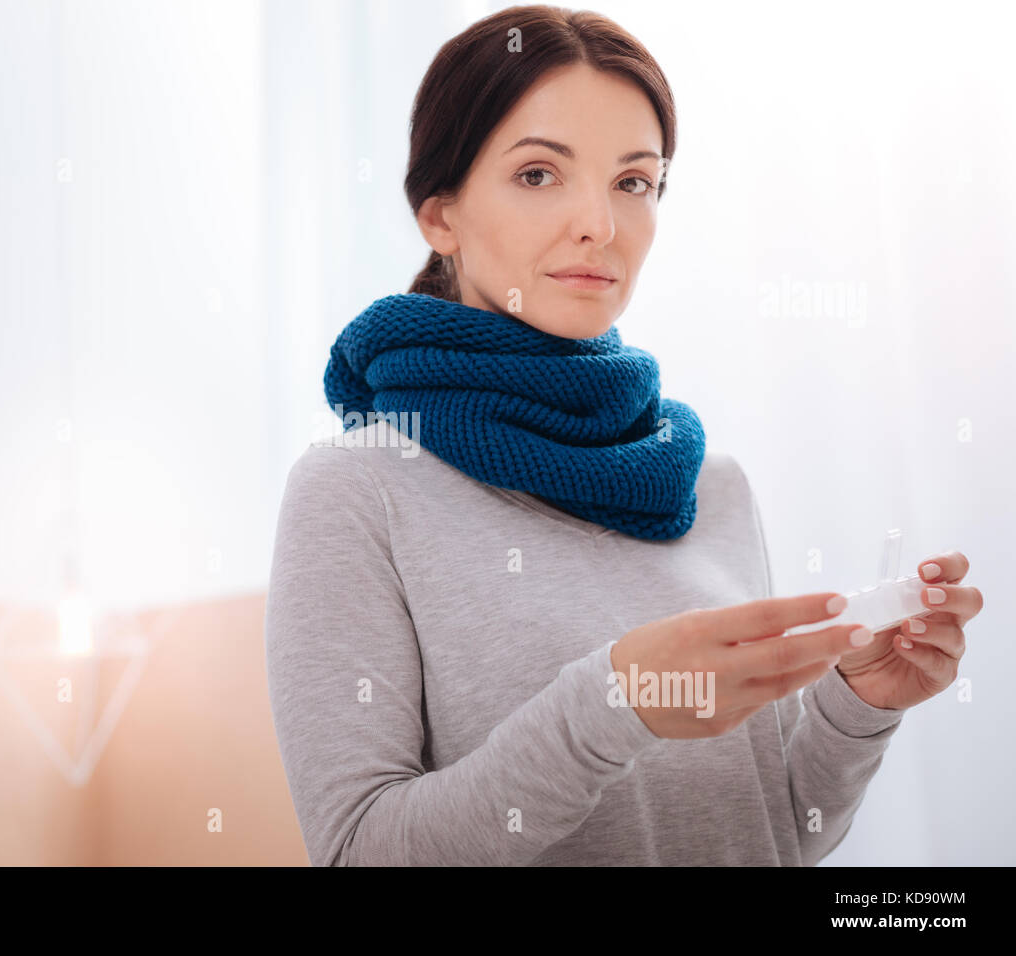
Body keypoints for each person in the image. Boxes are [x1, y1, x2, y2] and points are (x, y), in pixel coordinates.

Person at [263, 5, 983, 866]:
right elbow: (359, 853)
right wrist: (615, 705)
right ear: (440, 215)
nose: (599, 225)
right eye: (538, 175)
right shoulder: (356, 490)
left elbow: (774, 831)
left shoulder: (710, 483)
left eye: (634, 182)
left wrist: (859, 704)